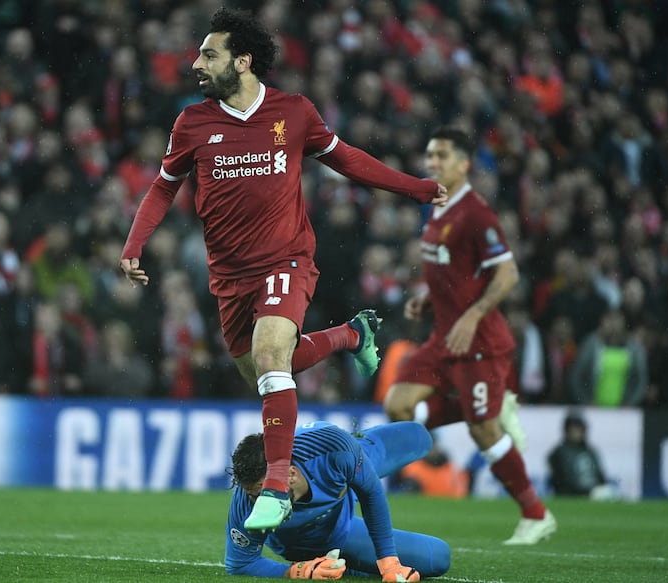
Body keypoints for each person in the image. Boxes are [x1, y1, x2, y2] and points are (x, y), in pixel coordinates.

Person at [119, 7, 447, 531]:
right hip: (229, 277)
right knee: (267, 374)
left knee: (273, 355)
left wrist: (417, 189)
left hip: (286, 260)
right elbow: (164, 186)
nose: (196, 63)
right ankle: (350, 335)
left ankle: (276, 486)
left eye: (210, 54)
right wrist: (134, 243)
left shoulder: (292, 112)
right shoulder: (192, 122)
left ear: (242, 62)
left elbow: (349, 160)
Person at [384, 127, 557, 545]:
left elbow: (508, 272)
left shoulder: (476, 214)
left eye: (442, 155)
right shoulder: (438, 207)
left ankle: (536, 514)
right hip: (443, 338)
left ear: (464, 164)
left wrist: (473, 314)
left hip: (479, 343)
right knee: (397, 404)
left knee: (483, 434)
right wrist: (428, 299)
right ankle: (487, 407)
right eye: (429, 155)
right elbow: (454, 271)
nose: (432, 163)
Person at [225, 421, 450, 581]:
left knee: (418, 436)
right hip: (329, 536)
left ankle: (357, 461)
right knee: (438, 557)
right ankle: (352, 565)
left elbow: (371, 494)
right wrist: (295, 571)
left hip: (343, 467)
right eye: (252, 494)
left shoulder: (334, 449)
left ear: (291, 474)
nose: (258, 502)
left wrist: (389, 560)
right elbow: (241, 563)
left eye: (265, 492)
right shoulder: (247, 500)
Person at [547, 412, 617, 500]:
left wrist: (601, 488)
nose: (576, 433)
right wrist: (587, 492)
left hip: (595, 493)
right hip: (574, 495)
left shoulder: (591, 451)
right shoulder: (559, 453)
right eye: (573, 430)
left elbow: (601, 476)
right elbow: (562, 482)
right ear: (566, 431)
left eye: (579, 429)